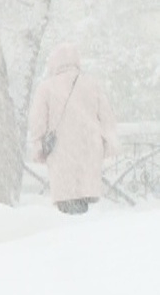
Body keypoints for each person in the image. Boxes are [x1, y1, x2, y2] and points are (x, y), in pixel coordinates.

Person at [28, 43, 119, 214]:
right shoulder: (92, 84)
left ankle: (70, 231)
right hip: (89, 149)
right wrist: (109, 146)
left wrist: (39, 149)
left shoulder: (46, 88)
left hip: (62, 152)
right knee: (85, 198)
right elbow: (108, 118)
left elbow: (38, 123)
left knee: (67, 200)